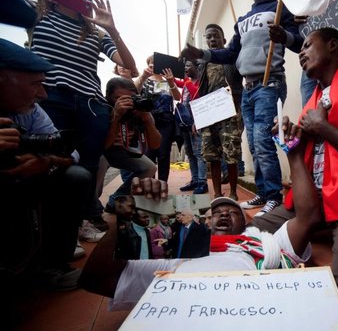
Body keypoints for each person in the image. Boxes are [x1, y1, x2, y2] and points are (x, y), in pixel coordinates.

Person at [79, 130, 322, 310]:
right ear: (203, 222)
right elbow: (95, 279)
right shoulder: (173, 256)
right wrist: (131, 212)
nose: (224, 213)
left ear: (246, 226)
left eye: (233, 212)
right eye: (216, 212)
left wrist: (295, 155)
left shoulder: (265, 244)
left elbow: (309, 216)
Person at [251, 28, 338, 330]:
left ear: (334, 45)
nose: (301, 51)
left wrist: (324, 128)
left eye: (309, 44)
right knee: (249, 236)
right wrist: (289, 138)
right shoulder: (313, 100)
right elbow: (301, 156)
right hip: (312, 203)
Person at [180, 0, 304, 216]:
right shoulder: (242, 20)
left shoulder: (279, 9)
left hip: (270, 82)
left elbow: (300, 43)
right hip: (248, 89)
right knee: (255, 146)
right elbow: (228, 54)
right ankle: (265, 193)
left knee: (263, 141)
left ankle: (274, 197)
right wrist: (200, 52)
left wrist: (284, 36)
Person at [25, 0, 138, 231]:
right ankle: (44, 231)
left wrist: (113, 29)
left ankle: (79, 224)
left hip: (91, 105)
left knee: (88, 167)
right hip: (50, 96)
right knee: (49, 165)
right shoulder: (34, 12)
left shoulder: (96, 31)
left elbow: (130, 66)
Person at [0, 38, 92, 290]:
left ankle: (51, 264)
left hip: (20, 187)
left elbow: (70, 154)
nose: (43, 94)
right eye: (36, 84)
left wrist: (45, 162)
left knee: (76, 176)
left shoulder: (30, 111)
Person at [194, 24, 243, 200]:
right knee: (212, 155)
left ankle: (233, 193)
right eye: (208, 37)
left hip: (230, 113)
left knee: (231, 155)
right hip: (208, 115)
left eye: (215, 36)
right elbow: (199, 89)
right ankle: (216, 193)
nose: (212, 39)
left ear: (223, 39)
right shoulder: (202, 63)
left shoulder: (232, 57)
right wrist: (196, 118)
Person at [98, 77, 160, 208]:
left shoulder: (139, 110)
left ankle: (116, 200)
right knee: (100, 161)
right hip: (102, 150)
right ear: (108, 97)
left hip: (122, 151)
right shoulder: (102, 109)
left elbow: (155, 145)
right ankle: (91, 206)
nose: (125, 103)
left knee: (150, 167)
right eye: (119, 98)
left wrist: (148, 121)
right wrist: (116, 117)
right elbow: (104, 146)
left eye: (130, 98)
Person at [135, 56, 181, 182]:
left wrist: (171, 82)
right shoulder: (144, 79)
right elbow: (134, 91)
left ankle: (162, 184)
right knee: (149, 154)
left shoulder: (167, 80)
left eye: (156, 63)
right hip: (148, 120)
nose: (153, 65)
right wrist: (143, 77)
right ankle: (150, 184)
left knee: (164, 154)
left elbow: (178, 97)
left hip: (166, 121)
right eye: (150, 63)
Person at [174, 59, 208, 194]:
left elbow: (196, 94)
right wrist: (169, 77)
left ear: (197, 67)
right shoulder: (188, 82)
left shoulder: (201, 82)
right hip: (185, 123)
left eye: (188, 65)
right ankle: (194, 180)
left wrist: (186, 81)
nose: (185, 68)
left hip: (196, 122)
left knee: (199, 153)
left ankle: (202, 182)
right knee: (190, 153)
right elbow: (180, 84)